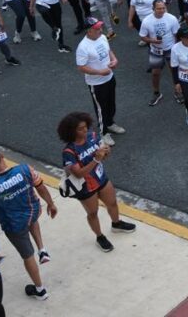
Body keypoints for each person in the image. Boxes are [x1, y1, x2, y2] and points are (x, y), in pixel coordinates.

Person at [0, 148, 53, 299]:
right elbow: (41, 187)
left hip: (14, 224)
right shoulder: (25, 169)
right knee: (32, 221)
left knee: (27, 255)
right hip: (33, 210)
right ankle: (42, 250)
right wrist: (51, 204)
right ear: (2, 156)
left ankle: (40, 290)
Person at [57, 112, 135, 253]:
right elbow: (78, 173)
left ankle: (116, 224)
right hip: (85, 187)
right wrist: (96, 159)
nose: (85, 130)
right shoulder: (69, 151)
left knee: (112, 203)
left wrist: (106, 151)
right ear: (71, 131)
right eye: (80, 128)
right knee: (93, 213)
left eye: (85, 126)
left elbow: (104, 153)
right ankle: (99, 237)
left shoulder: (92, 136)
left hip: (101, 178)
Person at [75, 17, 124, 146]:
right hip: (96, 83)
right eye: (97, 28)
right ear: (89, 31)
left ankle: (110, 123)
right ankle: (103, 133)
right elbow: (81, 67)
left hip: (109, 77)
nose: (100, 30)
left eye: (100, 27)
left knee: (111, 103)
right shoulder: (83, 47)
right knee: (101, 108)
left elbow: (108, 51)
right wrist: (100, 72)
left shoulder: (102, 37)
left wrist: (114, 59)